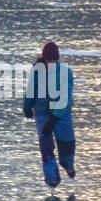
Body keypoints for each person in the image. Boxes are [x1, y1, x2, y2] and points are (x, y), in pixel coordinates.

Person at [22, 41, 75, 188]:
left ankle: (68, 164)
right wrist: (27, 106)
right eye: (48, 59)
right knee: (46, 147)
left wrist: (54, 119)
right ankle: (51, 178)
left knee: (67, 143)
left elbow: (65, 97)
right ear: (44, 59)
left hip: (62, 113)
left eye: (54, 60)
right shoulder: (36, 71)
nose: (51, 62)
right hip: (42, 113)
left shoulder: (65, 72)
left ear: (57, 59)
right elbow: (31, 90)